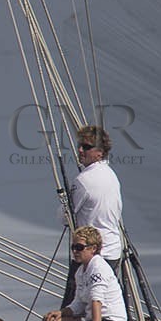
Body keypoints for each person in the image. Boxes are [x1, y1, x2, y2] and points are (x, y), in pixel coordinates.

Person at [62, 124, 124, 310]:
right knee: (103, 306)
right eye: (80, 145)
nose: (80, 150)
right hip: (113, 251)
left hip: (89, 253)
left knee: (73, 307)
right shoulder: (111, 175)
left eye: (87, 147)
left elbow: (66, 217)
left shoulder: (84, 180)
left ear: (100, 152)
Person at [44, 226, 128, 321]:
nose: (75, 251)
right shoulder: (80, 272)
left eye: (79, 247)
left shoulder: (98, 267)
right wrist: (61, 313)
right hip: (92, 320)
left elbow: (96, 301)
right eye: (73, 247)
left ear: (93, 248)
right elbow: (78, 303)